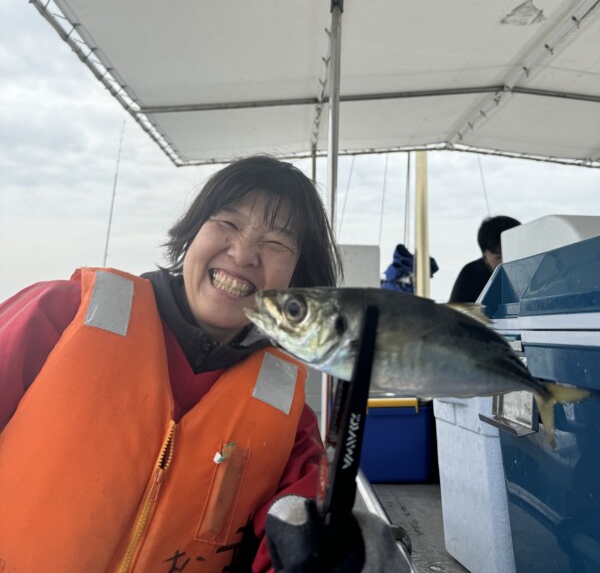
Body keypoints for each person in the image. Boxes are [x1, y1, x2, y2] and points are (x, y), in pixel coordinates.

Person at [0, 155, 408, 573]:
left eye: (276, 243)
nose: (244, 253)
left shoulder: (288, 421)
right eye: (228, 223)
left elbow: (300, 532)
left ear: (296, 277)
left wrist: (337, 554)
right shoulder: (63, 312)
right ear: (192, 232)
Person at [449, 215, 521, 302]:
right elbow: (455, 314)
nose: (508, 261)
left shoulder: (535, 271)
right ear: (485, 256)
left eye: (514, 253)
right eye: (499, 255)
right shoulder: (471, 274)